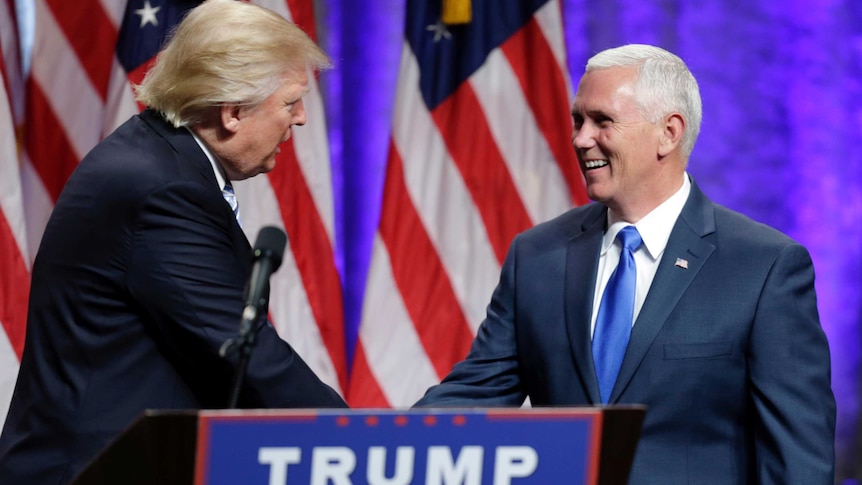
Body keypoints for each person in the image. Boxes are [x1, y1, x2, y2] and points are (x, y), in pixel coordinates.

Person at [416, 44, 836, 483]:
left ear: (669, 133)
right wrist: (360, 445)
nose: (580, 138)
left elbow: (798, 460)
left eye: (603, 121)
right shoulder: (537, 256)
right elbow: (473, 396)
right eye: (578, 120)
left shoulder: (763, 268)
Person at [0, 1, 347, 483]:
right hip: (91, 471)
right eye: (290, 102)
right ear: (232, 112)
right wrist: (357, 440)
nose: (302, 119)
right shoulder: (162, 189)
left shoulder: (158, 157)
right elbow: (239, 351)